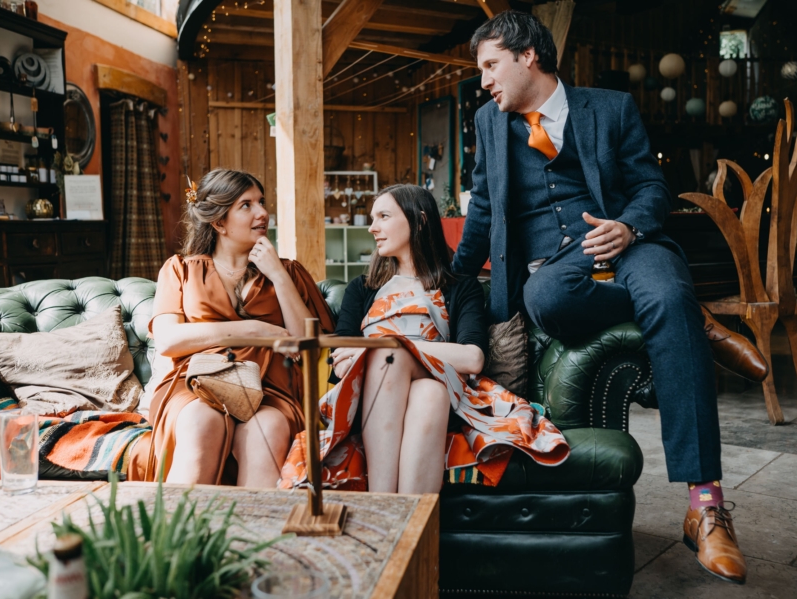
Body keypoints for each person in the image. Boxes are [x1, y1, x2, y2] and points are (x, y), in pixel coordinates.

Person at [454, 11, 768, 585]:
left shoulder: (610, 108)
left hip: (629, 248)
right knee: (544, 294)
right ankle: (696, 324)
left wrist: (627, 227)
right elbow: (479, 213)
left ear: (528, 56)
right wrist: (446, 279)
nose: (484, 80)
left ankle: (706, 508)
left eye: (491, 65)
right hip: (557, 269)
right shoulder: (488, 122)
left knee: (666, 292)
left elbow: (652, 186)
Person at [278, 184, 569, 493]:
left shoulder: (460, 287)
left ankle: (388, 509)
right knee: (411, 375)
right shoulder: (361, 288)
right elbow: (341, 361)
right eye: (372, 218)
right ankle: (401, 514)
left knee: (402, 364)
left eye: (384, 216)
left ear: (419, 221)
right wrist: (389, 351)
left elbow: (473, 358)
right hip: (367, 395)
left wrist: (398, 346)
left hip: (445, 389)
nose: (373, 228)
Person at [135, 168, 335, 487]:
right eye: (247, 205)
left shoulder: (288, 272)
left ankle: (252, 533)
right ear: (219, 223)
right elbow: (169, 340)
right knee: (201, 422)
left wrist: (278, 275)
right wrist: (255, 331)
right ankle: (174, 532)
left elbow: (306, 342)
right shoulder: (181, 270)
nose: (262, 212)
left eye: (262, 202)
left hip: (270, 388)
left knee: (268, 428)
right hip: (196, 384)